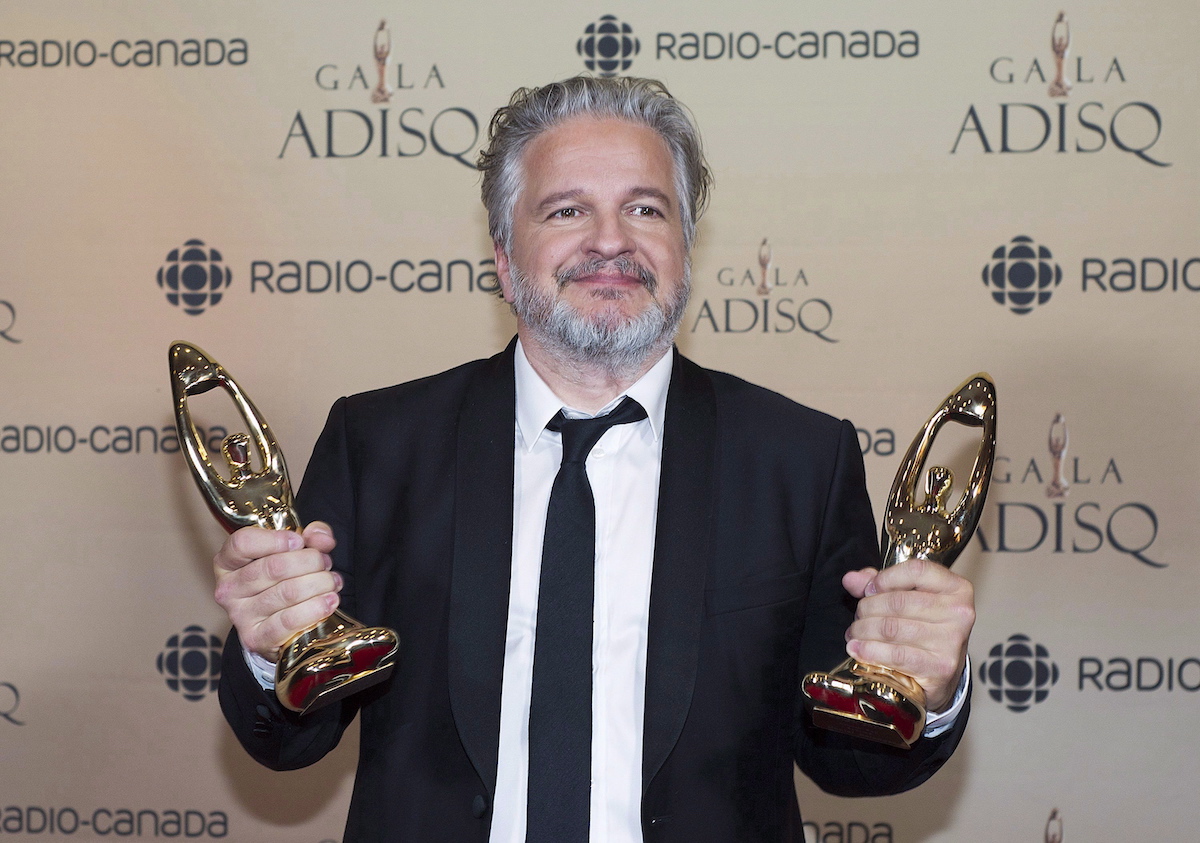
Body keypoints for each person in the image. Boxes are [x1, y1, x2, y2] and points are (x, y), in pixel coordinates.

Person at [213, 76, 975, 843]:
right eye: (568, 210)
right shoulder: (379, 444)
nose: (611, 240)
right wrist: (265, 650)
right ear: (505, 261)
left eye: (645, 208)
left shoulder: (799, 459)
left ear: (684, 250)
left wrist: (926, 686)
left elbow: (853, 759)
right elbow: (288, 740)